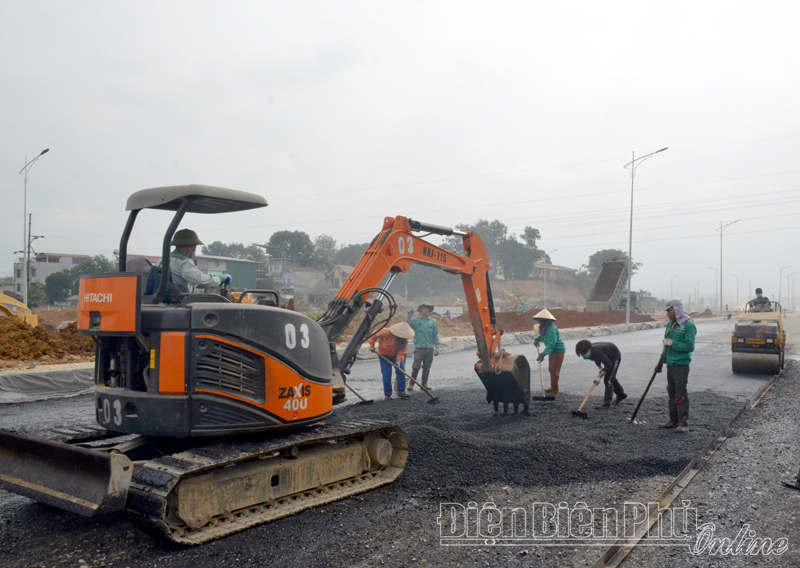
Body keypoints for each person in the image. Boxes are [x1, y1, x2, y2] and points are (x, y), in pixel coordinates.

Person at [658, 300, 697, 433]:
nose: (668, 313)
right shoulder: (670, 324)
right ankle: (673, 421)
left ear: (677, 310)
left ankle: (683, 424)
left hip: (681, 364)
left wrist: (673, 343)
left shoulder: (688, 326)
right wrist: (661, 362)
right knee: (671, 392)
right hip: (670, 363)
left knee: (681, 393)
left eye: (670, 310)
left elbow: (689, 346)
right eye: (667, 311)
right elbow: (666, 345)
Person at [575, 339, 627, 408]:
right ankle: (621, 394)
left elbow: (608, 365)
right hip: (607, 356)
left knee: (608, 379)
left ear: (589, 349)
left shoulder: (597, 350)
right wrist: (600, 368)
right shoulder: (591, 351)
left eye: (584, 353)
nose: (584, 356)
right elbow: (596, 359)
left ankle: (607, 403)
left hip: (614, 356)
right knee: (611, 377)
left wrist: (599, 376)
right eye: (582, 354)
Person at [369, 322, 415, 400]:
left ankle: (401, 391)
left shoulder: (405, 340)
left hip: (396, 355)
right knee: (386, 373)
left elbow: (402, 351)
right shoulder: (385, 332)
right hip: (384, 354)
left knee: (401, 370)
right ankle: (387, 394)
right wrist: (371, 346)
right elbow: (373, 336)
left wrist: (398, 361)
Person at [532, 309, 565, 397]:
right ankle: (553, 387)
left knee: (554, 370)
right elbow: (543, 336)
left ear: (546, 320)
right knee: (551, 369)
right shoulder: (543, 327)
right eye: (538, 320)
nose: (539, 321)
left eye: (540, 320)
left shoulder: (551, 328)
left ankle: (554, 390)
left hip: (558, 351)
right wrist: (538, 339)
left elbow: (551, 344)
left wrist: (542, 354)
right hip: (552, 351)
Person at [408, 301, 440, 391]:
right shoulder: (415, 321)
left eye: (427, 308)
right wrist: (409, 316)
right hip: (419, 348)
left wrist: (437, 347)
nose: (426, 310)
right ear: (421, 310)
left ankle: (424, 384)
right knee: (416, 367)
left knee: (427, 367)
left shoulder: (432, 322)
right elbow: (407, 325)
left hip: (429, 348)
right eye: (424, 308)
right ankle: (411, 383)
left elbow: (435, 335)